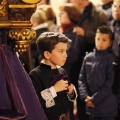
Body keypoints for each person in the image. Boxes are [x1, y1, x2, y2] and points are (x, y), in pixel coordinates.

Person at [29, 32, 77, 120]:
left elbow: (70, 97)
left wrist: (71, 92)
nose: (66, 55)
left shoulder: (62, 71)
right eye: (61, 51)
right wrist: (54, 89)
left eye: (65, 51)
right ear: (47, 54)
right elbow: (34, 103)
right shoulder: (35, 75)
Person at [78, 25, 118, 120]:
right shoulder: (88, 58)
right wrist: (85, 96)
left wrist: (94, 99)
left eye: (104, 40)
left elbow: (110, 84)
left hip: (107, 109)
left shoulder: (112, 60)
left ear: (110, 43)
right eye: (98, 39)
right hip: (91, 107)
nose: (100, 42)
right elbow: (81, 79)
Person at [55, 3, 87, 119]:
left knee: (67, 108)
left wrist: (53, 56)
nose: (59, 15)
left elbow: (72, 55)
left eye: (62, 13)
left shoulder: (76, 32)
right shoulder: (56, 29)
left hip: (69, 75)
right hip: (54, 74)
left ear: (71, 15)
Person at [109, 0, 120, 119]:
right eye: (115, 6)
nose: (117, 9)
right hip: (111, 67)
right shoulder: (109, 25)